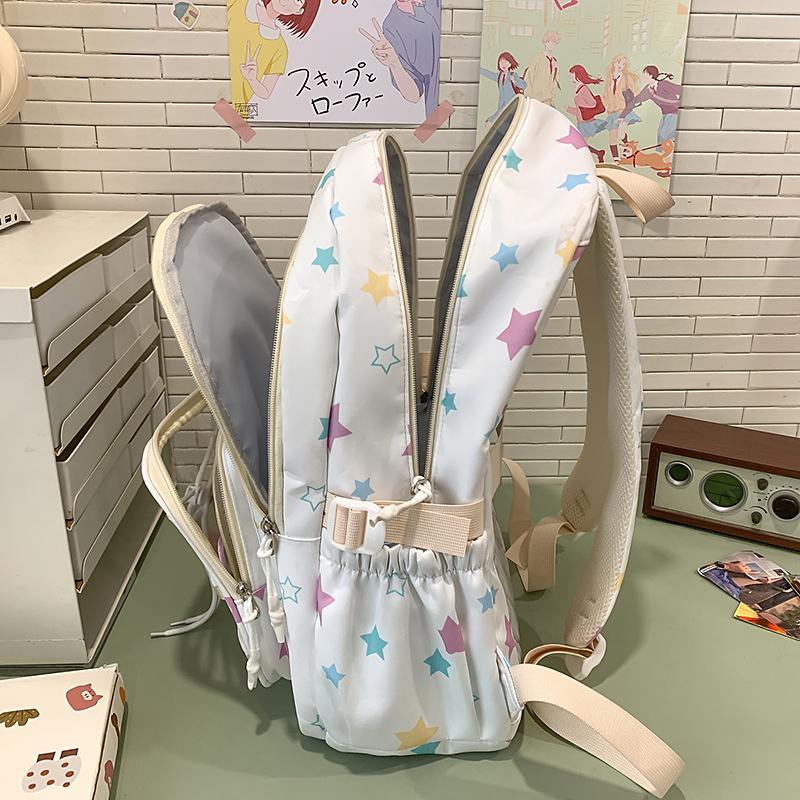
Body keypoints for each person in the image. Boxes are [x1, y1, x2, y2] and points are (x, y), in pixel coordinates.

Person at [230, 0, 320, 108]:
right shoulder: (241, 3)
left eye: (298, 0)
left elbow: (266, 92)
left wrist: (252, 80)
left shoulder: (279, 48)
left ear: (299, 11)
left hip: (230, 109)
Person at [359, 0, 441, 118]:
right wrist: (394, 64)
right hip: (441, 115)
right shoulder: (392, 25)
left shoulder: (435, 3)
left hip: (465, 92)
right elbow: (413, 95)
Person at [623, 65, 681, 151]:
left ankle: (663, 152)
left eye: (645, 74)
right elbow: (635, 100)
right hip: (666, 114)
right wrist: (622, 116)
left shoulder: (663, 84)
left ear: (651, 75)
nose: (643, 77)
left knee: (664, 135)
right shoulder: (648, 90)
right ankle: (662, 153)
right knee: (661, 135)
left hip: (674, 113)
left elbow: (680, 90)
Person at [602, 54, 640, 162]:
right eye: (619, 62)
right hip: (612, 111)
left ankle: (628, 145)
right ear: (614, 62)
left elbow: (636, 91)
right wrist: (606, 104)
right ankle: (616, 160)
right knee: (612, 138)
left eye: (623, 64)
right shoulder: (609, 78)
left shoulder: (627, 78)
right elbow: (605, 95)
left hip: (623, 111)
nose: (620, 65)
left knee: (620, 134)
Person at [566, 64, 606, 162]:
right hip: (582, 122)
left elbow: (593, 103)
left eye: (572, 75)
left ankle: (594, 156)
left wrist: (580, 103)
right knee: (581, 144)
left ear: (578, 75)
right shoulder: (578, 88)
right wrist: (568, 109)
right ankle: (598, 153)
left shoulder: (583, 89)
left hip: (587, 123)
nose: (571, 77)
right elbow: (580, 110)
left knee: (580, 144)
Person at [480, 51, 526, 123]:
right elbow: (489, 74)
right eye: (501, 62)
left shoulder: (513, 75)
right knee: (489, 122)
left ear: (510, 64)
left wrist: (514, 81)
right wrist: (479, 69)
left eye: (505, 62)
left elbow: (524, 85)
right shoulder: (499, 76)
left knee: (491, 122)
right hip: (502, 107)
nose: (503, 64)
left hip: (512, 106)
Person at [523, 30, 560, 106]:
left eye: (553, 42)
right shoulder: (538, 57)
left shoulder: (554, 61)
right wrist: (529, 97)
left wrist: (552, 97)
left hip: (548, 99)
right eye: (548, 41)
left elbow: (554, 81)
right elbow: (529, 76)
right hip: (536, 98)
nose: (551, 44)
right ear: (545, 42)